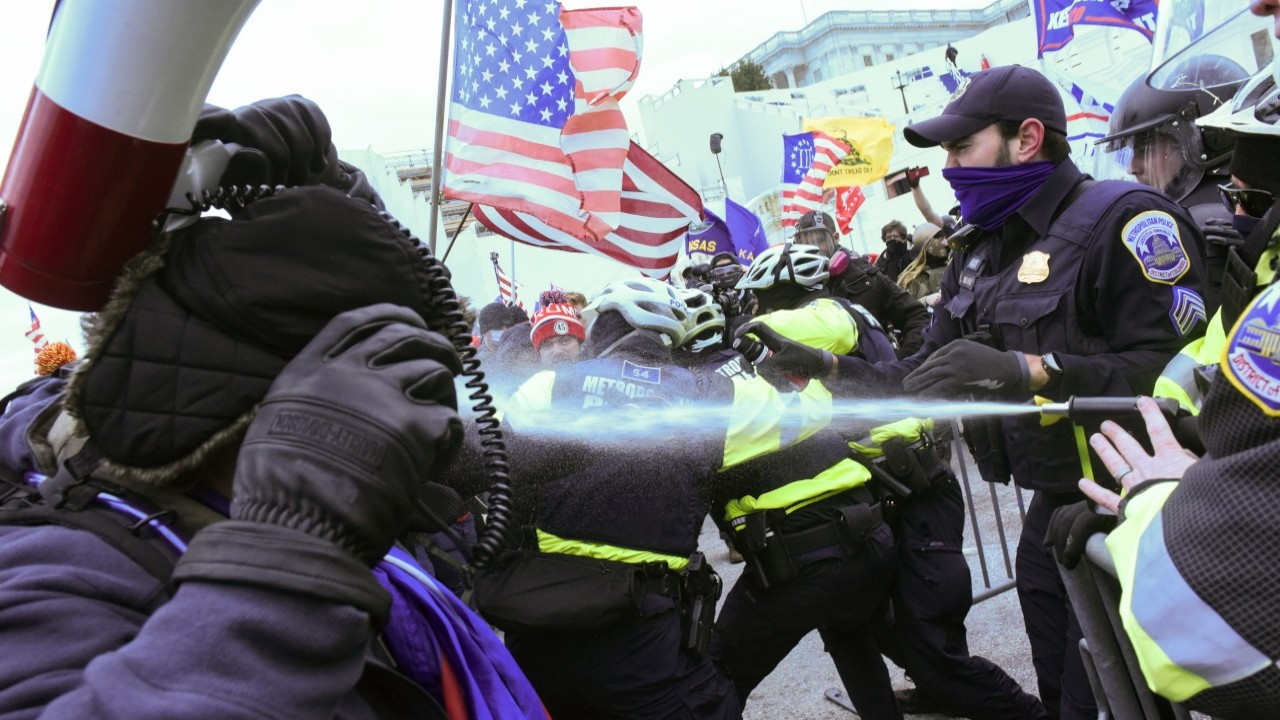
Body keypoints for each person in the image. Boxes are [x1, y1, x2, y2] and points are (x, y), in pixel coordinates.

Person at [0, 96, 544, 718]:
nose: (393, 422)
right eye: (351, 393)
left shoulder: (349, 502)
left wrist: (334, 195)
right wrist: (287, 559)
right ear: (247, 411)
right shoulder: (55, 561)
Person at [744, 64, 1208, 720]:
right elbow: (920, 381)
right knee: (1064, 697)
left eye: (962, 149)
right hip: (1057, 515)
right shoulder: (977, 252)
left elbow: (1182, 382)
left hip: (1151, 508)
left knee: (1140, 700)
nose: (951, 168)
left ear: (1026, 139)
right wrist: (827, 368)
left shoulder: (1126, 223)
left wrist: (1033, 371)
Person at [464, 277, 851, 720]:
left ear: (600, 330)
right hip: (641, 641)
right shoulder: (712, 398)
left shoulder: (545, 388)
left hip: (535, 631)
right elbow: (811, 414)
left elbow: (481, 455)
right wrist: (820, 369)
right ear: (670, 337)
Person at [733, 244, 1046, 720]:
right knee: (854, 625)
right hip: (890, 492)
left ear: (783, 291)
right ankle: (931, 692)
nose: (755, 309)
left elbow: (780, 331)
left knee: (935, 651)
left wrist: (724, 335)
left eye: (759, 299)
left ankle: (1022, 712)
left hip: (919, 494)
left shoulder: (827, 313)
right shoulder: (847, 311)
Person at [1098, 55, 1250, 313]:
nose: (1132, 167)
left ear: (1200, 136)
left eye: (1145, 147)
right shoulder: (1230, 207)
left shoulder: (1200, 223)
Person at [796, 210, 931, 358]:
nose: (812, 249)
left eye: (819, 240)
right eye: (804, 242)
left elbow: (917, 315)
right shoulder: (795, 287)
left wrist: (903, 361)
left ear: (835, 238)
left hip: (874, 374)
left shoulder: (866, 277)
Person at [528, 290, 585, 369]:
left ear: (580, 344)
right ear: (539, 354)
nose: (557, 351)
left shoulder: (602, 372)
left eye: (565, 341)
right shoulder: (532, 381)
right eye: (547, 345)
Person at [897, 222, 950, 306]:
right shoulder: (912, 278)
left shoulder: (954, 262)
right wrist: (926, 300)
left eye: (945, 238)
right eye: (941, 239)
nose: (946, 242)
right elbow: (902, 308)